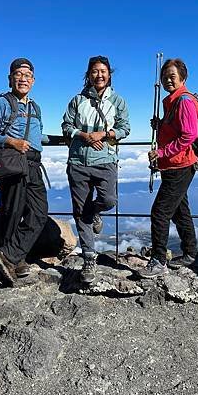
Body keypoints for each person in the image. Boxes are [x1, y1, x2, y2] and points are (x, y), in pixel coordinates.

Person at [62, 55, 130, 285]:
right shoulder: (77, 100)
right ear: (88, 75)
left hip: (106, 160)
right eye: (94, 71)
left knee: (109, 200)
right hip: (79, 161)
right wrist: (83, 135)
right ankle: (89, 259)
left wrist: (105, 134)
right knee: (81, 212)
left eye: (103, 71)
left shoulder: (118, 101)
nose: (99, 75)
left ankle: (96, 211)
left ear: (109, 74)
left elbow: (125, 128)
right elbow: (66, 126)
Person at [0, 58, 48, 287]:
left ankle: (10, 255)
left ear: (33, 80)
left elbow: (38, 136)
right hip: (14, 163)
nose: (23, 78)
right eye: (18, 74)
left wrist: (70, 139)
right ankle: (12, 259)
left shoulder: (34, 107)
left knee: (39, 212)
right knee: (13, 212)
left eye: (27, 75)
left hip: (33, 164)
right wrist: (11, 141)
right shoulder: (3, 103)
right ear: (10, 78)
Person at [139, 58, 198, 278]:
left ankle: (158, 261)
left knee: (160, 212)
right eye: (164, 77)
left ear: (182, 78)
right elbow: (177, 129)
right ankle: (190, 253)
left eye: (171, 76)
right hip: (176, 166)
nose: (167, 80)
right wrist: (161, 125)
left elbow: (189, 134)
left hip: (179, 165)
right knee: (180, 210)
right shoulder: (172, 102)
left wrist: (162, 153)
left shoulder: (183, 101)